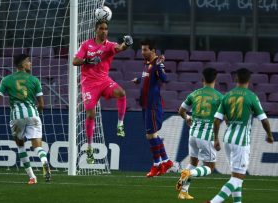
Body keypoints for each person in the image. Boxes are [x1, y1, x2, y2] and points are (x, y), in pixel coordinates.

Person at [205, 68, 274, 203]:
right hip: (241, 142)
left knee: (235, 175)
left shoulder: (227, 96)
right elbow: (264, 120)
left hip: (228, 139)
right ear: (249, 80)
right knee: (238, 178)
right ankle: (214, 202)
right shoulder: (251, 96)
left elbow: (217, 120)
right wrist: (269, 135)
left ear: (236, 79)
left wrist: (216, 139)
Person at [0, 54, 51, 184]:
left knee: (20, 146)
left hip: (16, 117)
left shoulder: (7, 79)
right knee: (37, 146)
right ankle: (44, 162)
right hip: (33, 115)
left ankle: (32, 177)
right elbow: (41, 104)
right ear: (22, 64)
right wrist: (36, 113)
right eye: (28, 62)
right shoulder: (34, 80)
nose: (30, 63)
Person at [73, 20, 133, 164]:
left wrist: (127, 44)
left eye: (106, 29)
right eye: (101, 28)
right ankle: (89, 148)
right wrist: (88, 60)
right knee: (91, 114)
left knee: (122, 93)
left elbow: (119, 48)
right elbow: (75, 61)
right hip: (89, 84)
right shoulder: (87, 45)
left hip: (104, 81)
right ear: (96, 30)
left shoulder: (109, 45)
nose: (104, 31)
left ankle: (120, 124)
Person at [176, 68, 223, 200]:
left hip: (193, 134)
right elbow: (222, 118)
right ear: (215, 79)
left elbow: (181, 110)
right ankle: (188, 173)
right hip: (206, 136)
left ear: (202, 79)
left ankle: (183, 192)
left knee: (193, 161)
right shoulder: (220, 97)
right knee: (210, 166)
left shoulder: (194, 94)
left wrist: (187, 118)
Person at [132, 38, 173, 178]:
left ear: (153, 50)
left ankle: (157, 164)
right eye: (142, 49)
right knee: (153, 135)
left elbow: (165, 79)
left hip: (153, 106)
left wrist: (160, 65)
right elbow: (147, 78)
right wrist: (139, 80)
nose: (142, 52)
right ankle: (166, 162)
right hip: (145, 104)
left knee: (150, 135)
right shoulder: (147, 64)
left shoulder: (157, 63)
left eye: (145, 49)